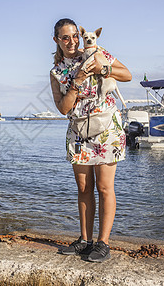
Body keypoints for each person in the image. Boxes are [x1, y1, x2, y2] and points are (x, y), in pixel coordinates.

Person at [50, 18, 132, 262]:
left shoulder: (99, 53)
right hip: (78, 132)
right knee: (84, 188)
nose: (73, 41)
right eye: (65, 37)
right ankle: (85, 241)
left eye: (75, 35)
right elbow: (64, 109)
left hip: (107, 129)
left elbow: (127, 75)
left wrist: (102, 69)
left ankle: (103, 243)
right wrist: (76, 82)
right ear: (57, 41)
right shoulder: (56, 71)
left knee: (105, 187)